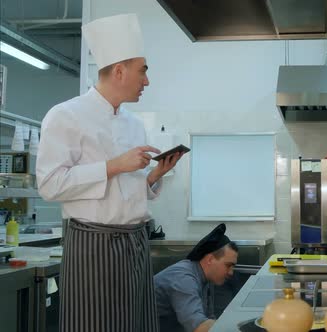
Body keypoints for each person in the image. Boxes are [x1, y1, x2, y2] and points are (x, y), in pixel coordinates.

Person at [36, 13, 184, 332]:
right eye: (143, 71)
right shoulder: (65, 116)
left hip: (135, 244)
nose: (147, 81)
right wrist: (114, 166)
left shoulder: (133, 123)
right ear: (119, 71)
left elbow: (125, 191)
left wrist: (154, 176)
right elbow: (49, 185)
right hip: (93, 246)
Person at [154, 224, 238, 332]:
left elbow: (208, 319)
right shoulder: (184, 279)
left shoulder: (206, 278)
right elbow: (199, 327)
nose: (231, 272)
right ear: (210, 259)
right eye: (228, 265)